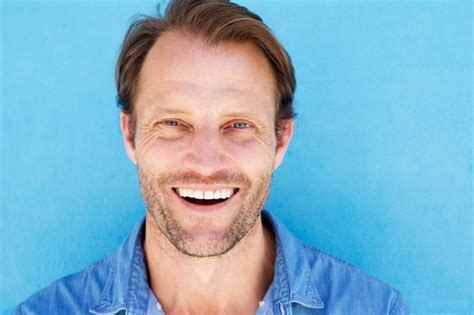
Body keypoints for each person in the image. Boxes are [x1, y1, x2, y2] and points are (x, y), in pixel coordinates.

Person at [14, 1, 409, 314]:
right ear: (130, 134)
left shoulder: (377, 309)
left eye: (238, 125)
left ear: (281, 139)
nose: (205, 163)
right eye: (173, 122)